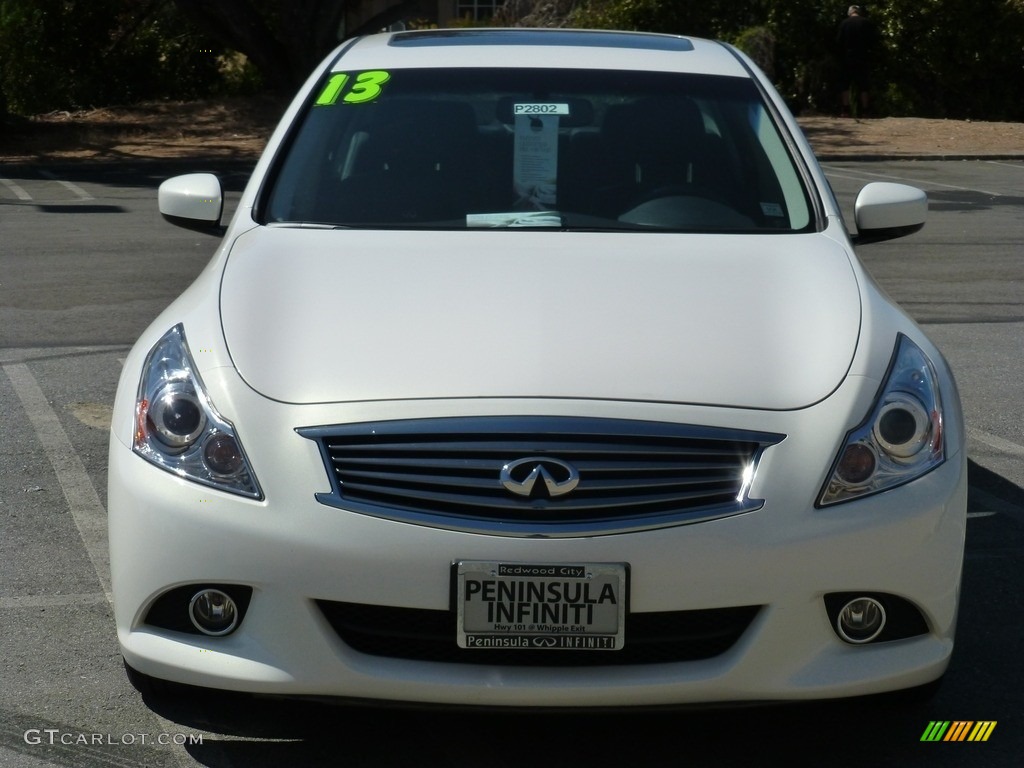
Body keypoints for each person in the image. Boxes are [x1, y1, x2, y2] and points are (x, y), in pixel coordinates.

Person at [837, 5, 878, 117]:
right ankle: (866, 110)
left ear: (849, 13)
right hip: (862, 57)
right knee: (864, 85)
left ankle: (845, 110)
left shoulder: (844, 24)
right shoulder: (866, 23)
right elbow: (873, 41)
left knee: (845, 84)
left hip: (847, 57)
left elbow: (839, 42)